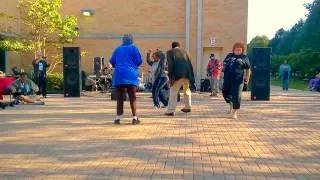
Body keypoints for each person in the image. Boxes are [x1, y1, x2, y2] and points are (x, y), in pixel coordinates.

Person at [109, 34, 142, 125]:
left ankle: (118, 118)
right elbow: (139, 61)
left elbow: (112, 61)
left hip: (119, 75)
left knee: (119, 97)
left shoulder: (117, 49)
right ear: (132, 40)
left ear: (123, 40)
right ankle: (135, 118)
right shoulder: (134, 48)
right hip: (131, 75)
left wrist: (119, 66)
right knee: (133, 98)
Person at [165, 42, 195, 116]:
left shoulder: (170, 52)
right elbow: (190, 64)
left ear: (172, 47)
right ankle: (188, 107)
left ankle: (171, 110)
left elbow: (170, 65)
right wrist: (191, 76)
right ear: (179, 46)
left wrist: (170, 76)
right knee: (187, 90)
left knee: (173, 91)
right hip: (187, 74)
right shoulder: (186, 52)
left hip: (177, 75)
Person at [222, 42, 251, 119]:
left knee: (236, 96)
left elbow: (248, 68)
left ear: (242, 49)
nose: (238, 49)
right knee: (224, 92)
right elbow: (224, 64)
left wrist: (247, 78)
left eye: (240, 48)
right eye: (236, 47)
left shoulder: (244, 57)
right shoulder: (229, 55)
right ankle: (231, 104)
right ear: (233, 49)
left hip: (238, 80)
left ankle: (235, 112)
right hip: (227, 79)